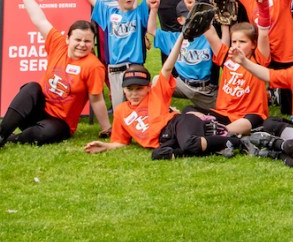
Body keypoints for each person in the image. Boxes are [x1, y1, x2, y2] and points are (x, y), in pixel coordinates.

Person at [0, 0, 110, 150]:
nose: (82, 45)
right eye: (78, 40)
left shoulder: (93, 65)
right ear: (67, 39)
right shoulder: (58, 44)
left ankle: (6, 139)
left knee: (47, 133)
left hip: (61, 123)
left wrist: (107, 128)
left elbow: (96, 99)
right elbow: (39, 19)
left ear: (93, 43)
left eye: (87, 41)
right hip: (38, 112)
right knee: (31, 87)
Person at [84, 34, 243, 159]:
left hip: (177, 124)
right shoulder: (121, 111)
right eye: (130, 89)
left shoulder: (156, 93)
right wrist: (105, 146)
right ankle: (217, 147)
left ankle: (239, 142)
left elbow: (167, 68)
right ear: (124, 90)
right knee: (158, 154)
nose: (134, 93)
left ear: (148, 88)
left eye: (139, 88)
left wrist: (181, 38)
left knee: (189, 144)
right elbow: (120, 142)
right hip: (164, 141)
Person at [63, 0, 159, 108]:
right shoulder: (107, 13)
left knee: (138, 108)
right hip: (114, 70)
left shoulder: (139, 12)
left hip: (134, 68)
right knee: (119, 110)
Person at [149, 0, 224, 110]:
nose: (193, 21)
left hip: (204, 89)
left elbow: (223, 50)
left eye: (195, 18)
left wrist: (225, 26)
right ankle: (166, 111)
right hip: (182, 85)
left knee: (222, 114)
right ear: (180, 20)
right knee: (157, 81)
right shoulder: (173, 38)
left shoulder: (208, 38)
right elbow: (152, 30)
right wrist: (154, 9)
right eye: (188, 18)